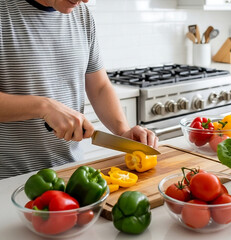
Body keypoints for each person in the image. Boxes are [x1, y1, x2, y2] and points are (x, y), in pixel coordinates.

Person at [0, 0, 159, 179]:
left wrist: (123, 133)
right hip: (9, 179)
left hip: (72, 174)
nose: (85, 0)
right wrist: (43, 107)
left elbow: (99, 87)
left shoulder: (82, 14)